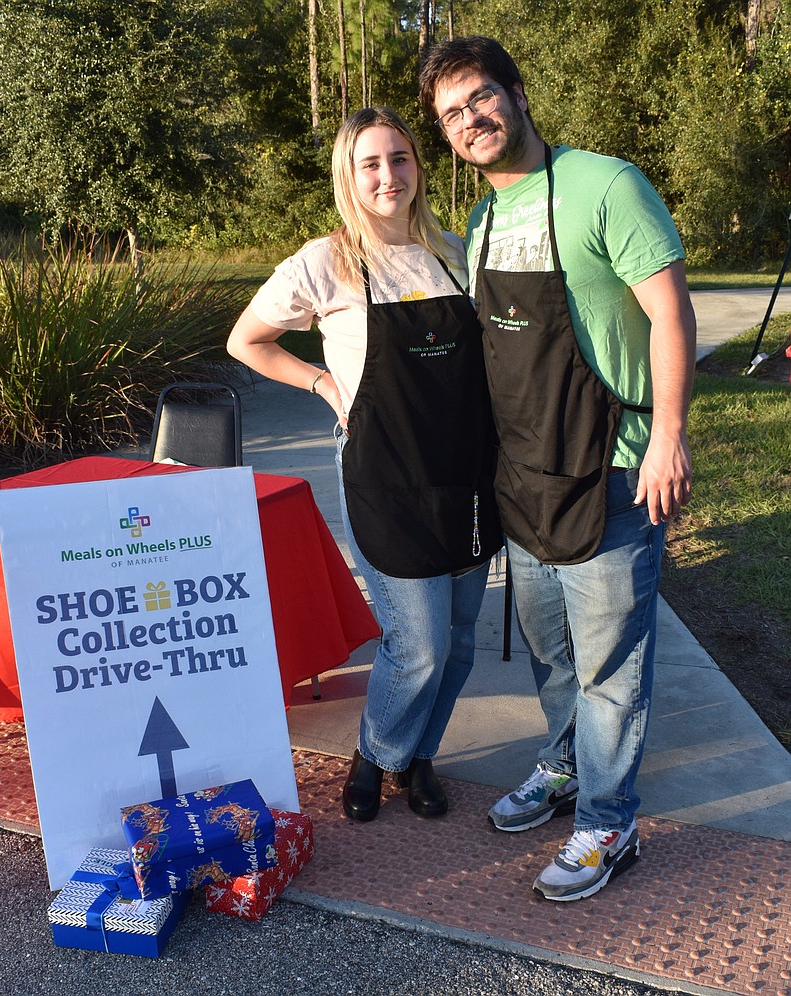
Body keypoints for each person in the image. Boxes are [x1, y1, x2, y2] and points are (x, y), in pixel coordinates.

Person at [419, 37, 697, 900]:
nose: (472, 121)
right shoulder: (481, 221)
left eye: (481, 99)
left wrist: (670, 434)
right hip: (524, 474)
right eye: (453, 115)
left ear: (518, 93)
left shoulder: (605, 185)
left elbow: (670, 312)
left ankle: (610, 824)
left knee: (611, 664)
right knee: (550, 649)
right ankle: (564, 767)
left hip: (613, 467)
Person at [227, 107, 502, 823]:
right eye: (370, 164)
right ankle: (376, 753)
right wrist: (321, 383)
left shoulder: (452, 249)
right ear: (349, 176)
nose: (388, 176)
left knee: (463, 639)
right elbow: (246, 341)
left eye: (400, 159)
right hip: (384, 476)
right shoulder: (326, 261)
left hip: (467, 472)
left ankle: (417, 757)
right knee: (419, 643)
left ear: (419, 165)